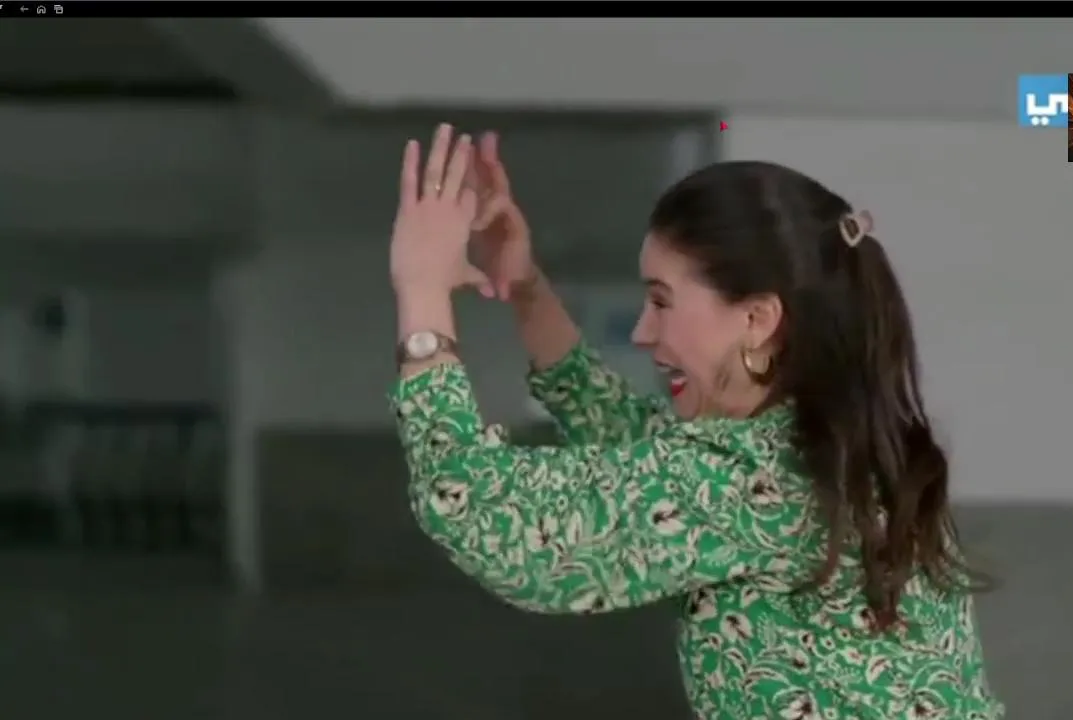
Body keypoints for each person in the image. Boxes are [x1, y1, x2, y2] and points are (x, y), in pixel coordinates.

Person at [388, 123, 1004, 719]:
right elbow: (632, 438)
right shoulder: (843, 455)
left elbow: (484, 511)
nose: (642, 331)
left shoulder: (744, 480)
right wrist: (526, 288)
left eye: (662, 301)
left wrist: (421, 291)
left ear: (756, 320)